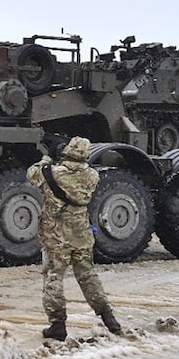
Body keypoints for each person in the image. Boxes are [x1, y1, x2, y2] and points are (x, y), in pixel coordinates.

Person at [27, 136, 122, 340]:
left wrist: (47, 156)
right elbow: (77, 175)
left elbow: (32, 174)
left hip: (56, 236)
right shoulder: (93, 176)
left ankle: (57, 324)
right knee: (87, 276)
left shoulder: (51, 172)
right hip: (82, 235)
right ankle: (109, 318)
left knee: (54, 278)